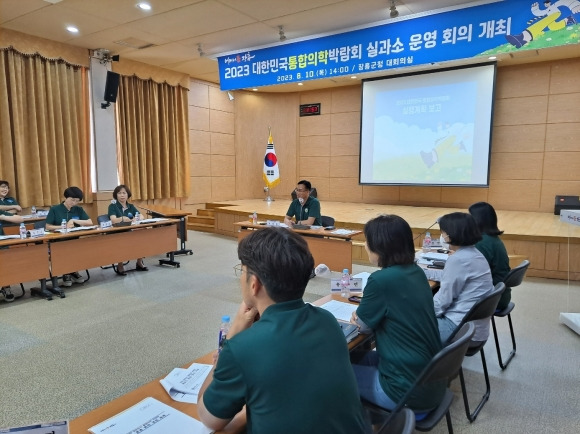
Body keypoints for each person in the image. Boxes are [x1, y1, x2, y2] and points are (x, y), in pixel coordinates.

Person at [197, 227, 370, 433]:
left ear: (254, 284)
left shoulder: (242, 348)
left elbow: (209, 419)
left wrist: (233, 334)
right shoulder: (327, 320)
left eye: (242, 271)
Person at [350, 215, 445, 416]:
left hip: (403, 391)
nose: (366, 246)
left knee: (328, 373)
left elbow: (362, 326)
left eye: (368, 242)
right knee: (349, 357)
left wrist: (358, 316)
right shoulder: (417, 272)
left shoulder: (380, 280)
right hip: (430, 380)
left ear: (381, 246)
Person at [435, 212, 494, 344]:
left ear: (450, 235)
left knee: (407, 327)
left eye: (443, 232)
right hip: (474, 329)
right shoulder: (476, 254)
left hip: (459, 328)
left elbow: (442, 302)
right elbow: (454, 278)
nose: (442, 236)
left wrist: (424, 314)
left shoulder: (458, 260)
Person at [45, 186, 94, 287]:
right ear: (66, 197)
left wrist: (74, 220)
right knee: (66, 249)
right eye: (72, 200)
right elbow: (48, 226)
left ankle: (73, 271)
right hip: (58, 240)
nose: (74, 203)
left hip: (74, 239)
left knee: (78, 248)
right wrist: (63, 226)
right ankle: (66, 272)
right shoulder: (55, 209)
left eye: (77, 201)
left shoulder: (78, 209)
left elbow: (90, 222)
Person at [469, 201, 512, 311]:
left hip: (491, 299)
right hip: (500, 294)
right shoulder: (491, 238)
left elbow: (471, 273)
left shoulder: (482, 243)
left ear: (477, 220)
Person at [107, 184, 148, 275]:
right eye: (119, 193)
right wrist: (122, 218)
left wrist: (138, 218)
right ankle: (120, 264)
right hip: (118, 231)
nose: (122, 195)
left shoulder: (131, 206)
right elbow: (113, 220)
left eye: (124, 193)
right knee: (122, 240)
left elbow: (141, 216)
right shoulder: (113, 206)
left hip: (131, 230)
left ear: (127, 195)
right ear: (116, 195)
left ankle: (139, 262)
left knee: (143, 235)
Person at [0, 180, 24, 301]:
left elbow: (18, 214)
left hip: (5, 234)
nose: (5, 190)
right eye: (2, 187)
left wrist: (3, 214)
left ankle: (6, 287)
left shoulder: (10, 199)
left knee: (5, 260)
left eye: (6, 188)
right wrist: (11, 209)